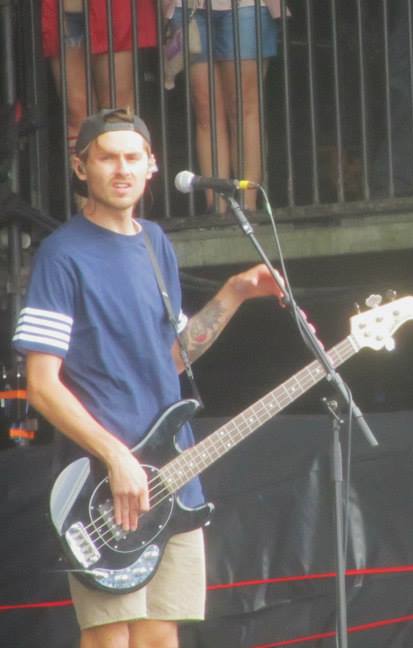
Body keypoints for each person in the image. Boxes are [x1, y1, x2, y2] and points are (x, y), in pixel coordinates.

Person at [12, 108, 284, 647]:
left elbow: (171, 358)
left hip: (171, 474)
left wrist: (233, 294)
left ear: (151, 165)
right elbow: (41, 385)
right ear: (81, 167)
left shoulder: (154, 243)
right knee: (111, 636)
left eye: (132, 157)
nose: (122, 169)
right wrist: (117, 458)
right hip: (101, 482)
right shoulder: (61, 255)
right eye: (107, 158)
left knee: (160, 635)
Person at [167, 0, 283, 212]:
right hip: (188, 7)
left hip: (246, 5)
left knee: (243, 106)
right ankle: (217, 209)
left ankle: (247, 208)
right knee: (205, 109)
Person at [42, 0, 158, 152]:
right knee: (77, 114)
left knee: (117, 112)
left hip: (113, 8)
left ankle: (118, 165)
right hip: (63, 9)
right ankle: (82, 167)